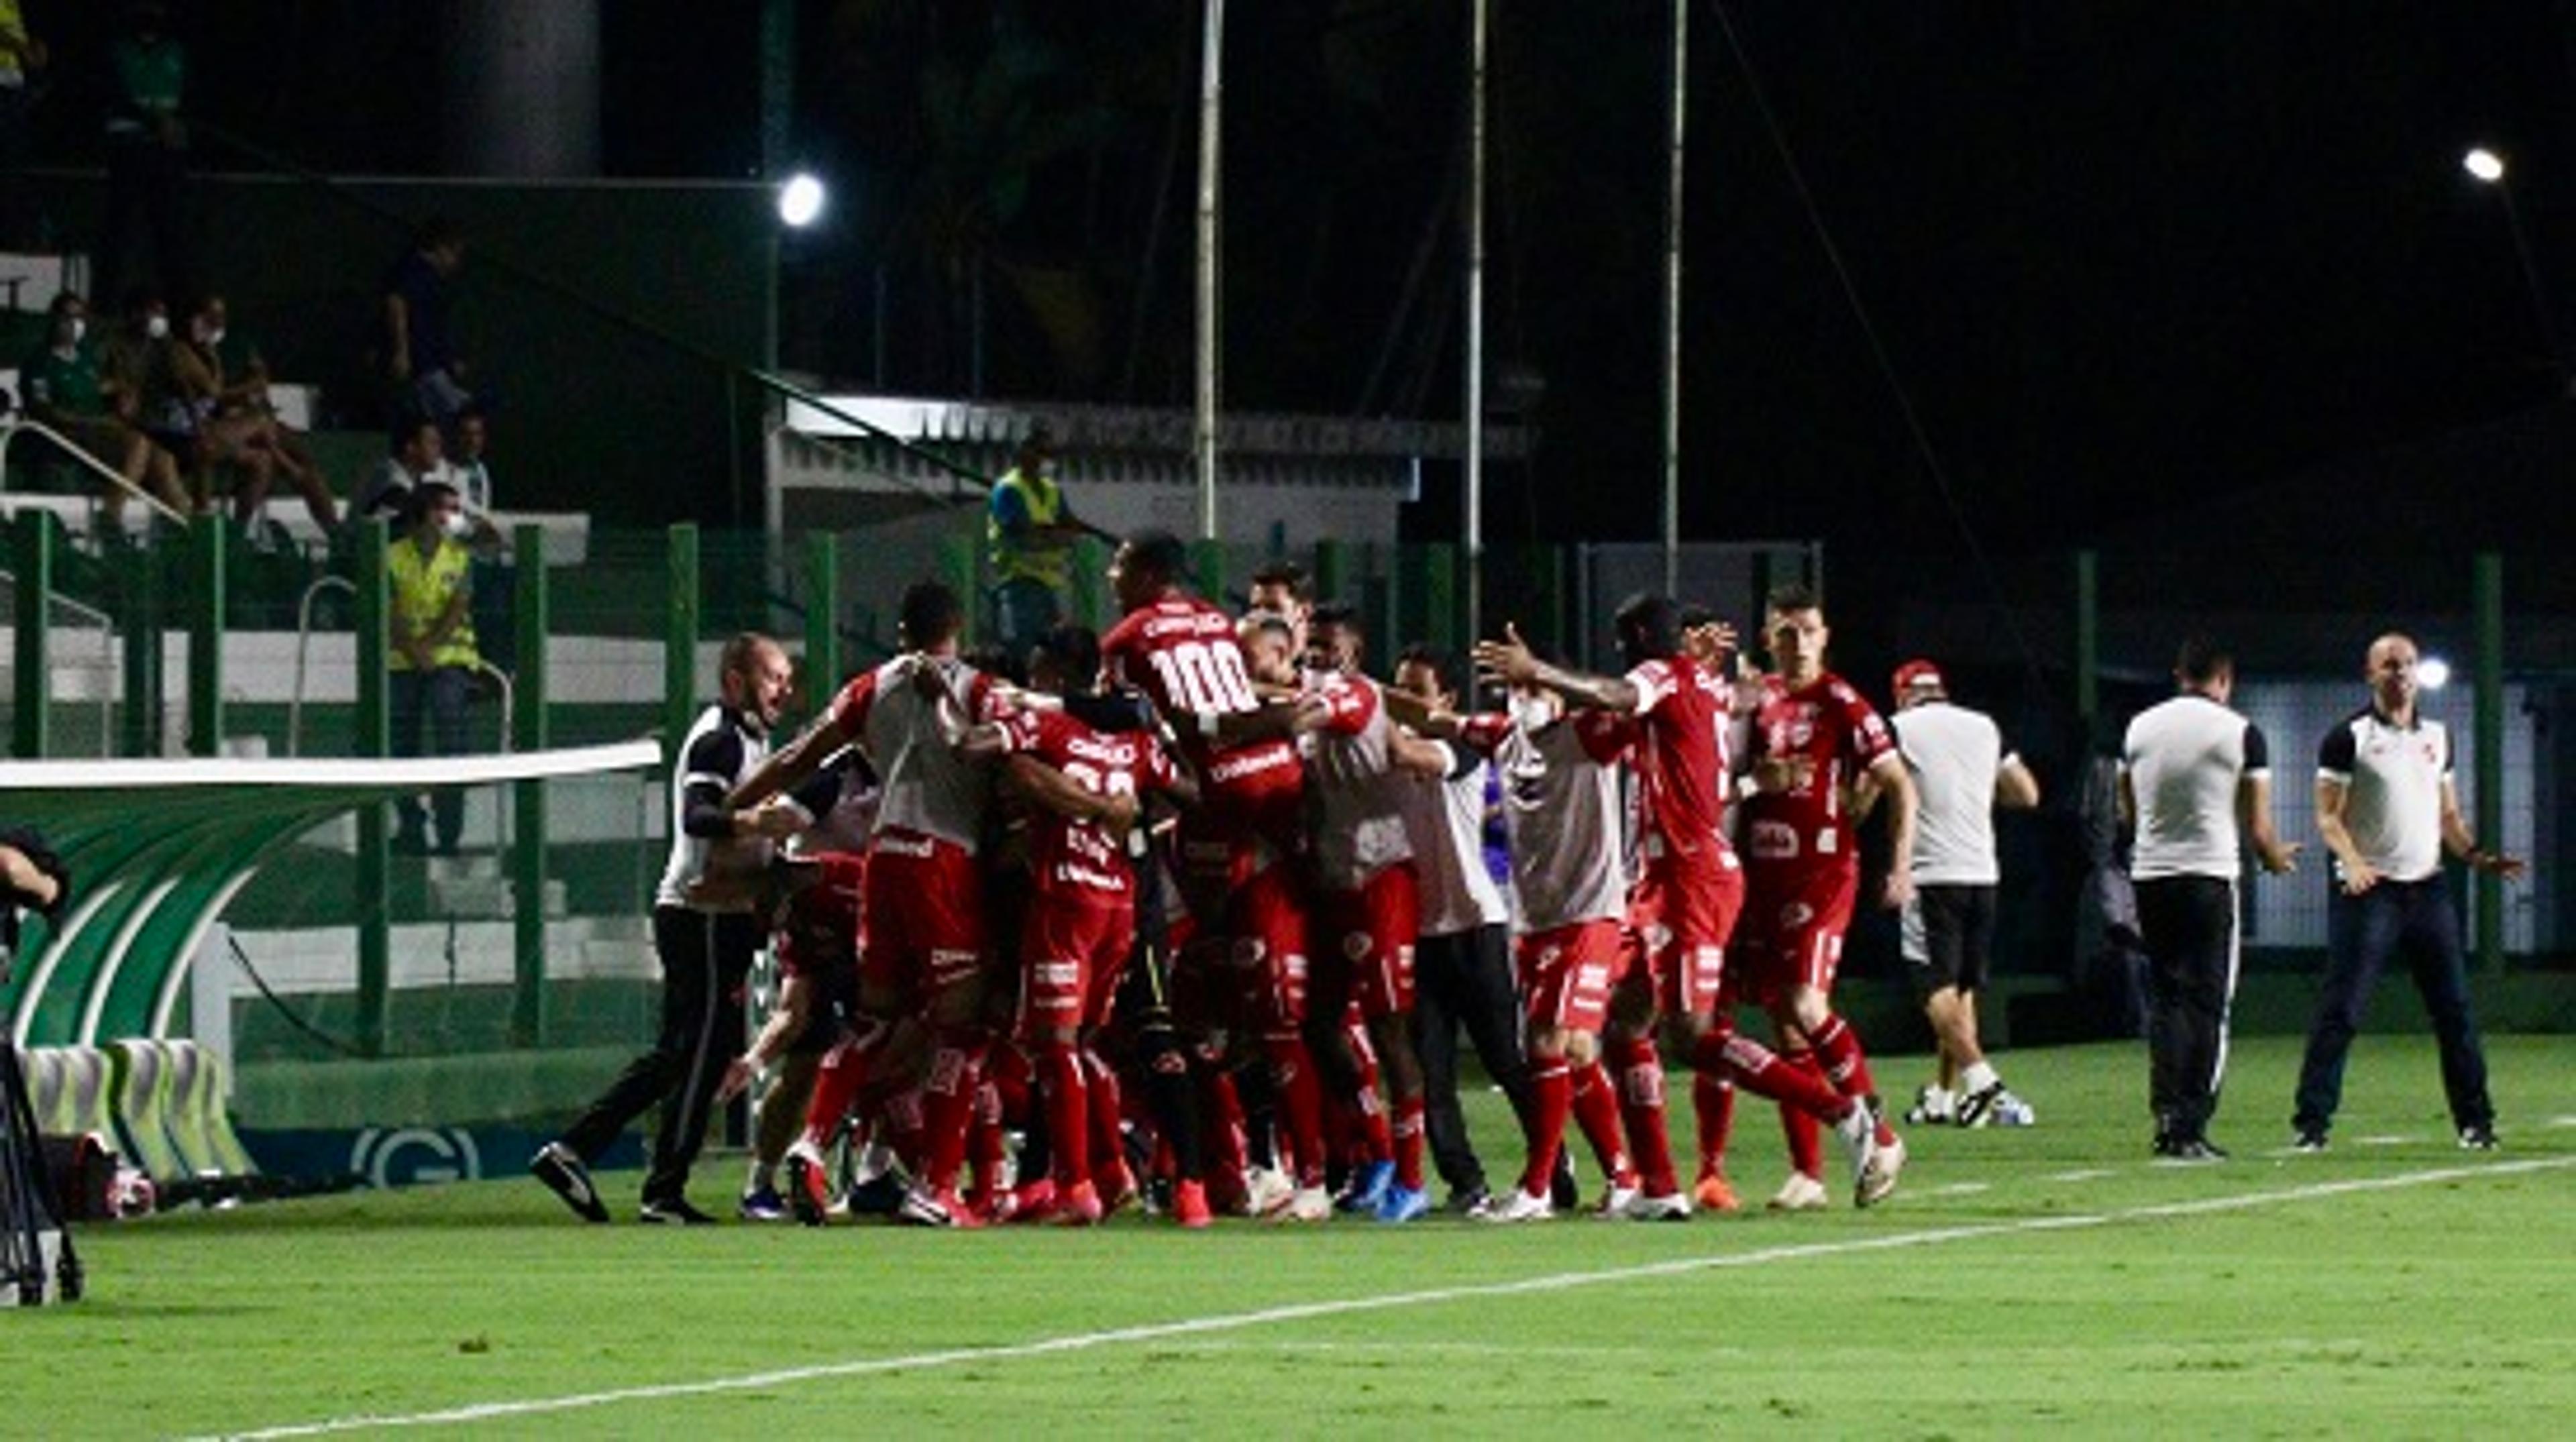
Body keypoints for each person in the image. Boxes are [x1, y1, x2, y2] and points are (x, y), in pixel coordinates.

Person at [1476, 595, 1902, 1219]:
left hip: (1689, 876)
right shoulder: (1701, 684)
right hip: (1668, 876)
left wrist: (1537, 669)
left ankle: (1848, 1115)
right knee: (1624, 1025)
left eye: (1626, 641)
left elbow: (1621, 696)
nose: (1621, 654)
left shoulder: (1664, 676)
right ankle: (1659, 1186)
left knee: (1695, 1037)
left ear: (1647, 636)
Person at [735, 581, 1017, 1229]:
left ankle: (813, 1145)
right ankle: (935, 1187)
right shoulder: (978, 689)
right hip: (945, 860)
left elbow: (799, 755)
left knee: (873, 1021)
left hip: (883, 860)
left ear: (901, 630)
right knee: (961, 1027)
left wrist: (734, 803)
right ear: (958, 627)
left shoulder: (871, 686)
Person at [1102, 534, 1335, 1219]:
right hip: (1269, 787)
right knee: (1230, 1013)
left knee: (1213, 1010)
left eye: (1119, 565)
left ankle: (1301, 1174)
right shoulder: (1213, 618)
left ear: (1146, 573)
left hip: (1209, 803)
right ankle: (1248, 1168)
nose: (1113, 576)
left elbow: (1130, 728)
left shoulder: (1128, 638)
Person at [532, 633, 800, 1223]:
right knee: (697, 1053)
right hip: (698, 915)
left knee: (686, 1053)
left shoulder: (752, 739)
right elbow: (698, 815)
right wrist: (754, 820)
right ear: (735, 681)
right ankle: (658, 1188)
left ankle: (579, 1153)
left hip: (715, 916)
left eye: (786, 677)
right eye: (772, 677)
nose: (784, 688)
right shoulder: (721, 739)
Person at [2292, 633, 2524, 1153]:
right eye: (2390, 666)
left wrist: (2477, 854)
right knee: (2343, 1009)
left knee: (2455, 1010)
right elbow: (2328, 816)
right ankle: (2311, 1123)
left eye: (2409, 665)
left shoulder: (2439, 736)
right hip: (2370, 891)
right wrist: (2351, 862)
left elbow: (2448, 815)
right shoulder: (2347, 737)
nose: (2401, 674)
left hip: (2428, 890)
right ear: (2370, 674)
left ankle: (2476, 1122)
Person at [1729, 582, 1915, 1211]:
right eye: (1786, 632)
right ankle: (1807, 1173)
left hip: (1823, 877)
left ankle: (1882, 1139)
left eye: (1808, 630)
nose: (1798, 642)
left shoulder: (1840, 700)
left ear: (1826, 636)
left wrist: (1901, 865)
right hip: (1765, 879)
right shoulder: (1761, 703)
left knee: (1809, 1004)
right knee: (1782, 1018)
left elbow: (1897, 780)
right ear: (1768, 639)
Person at [2118, 635, 2300, 1160]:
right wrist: (2276, 858)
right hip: (2210, 879)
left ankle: (2166, 1114)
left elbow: (2128, 809)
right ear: (2225, 680)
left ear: (2179, 676)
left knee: (2167, 1001)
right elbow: (2259, 827)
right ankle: (2191, 1126)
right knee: (2208, 1004)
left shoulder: (2140, 727)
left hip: (2151, 876)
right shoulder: (2241, 732)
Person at [1299, 604, 1450, 1223]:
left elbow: (1316, 711)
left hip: (1383, 876)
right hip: (1336, 880)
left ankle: (1412, 1180)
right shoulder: (1316, 697)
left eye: (1329, 645)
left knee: (1391, 1029)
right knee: (1320, 1024)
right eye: (1312, 644)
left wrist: (1250, 718)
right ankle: (1379, 1151)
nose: (1319, 654)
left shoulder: (1355, 696)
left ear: (1355, 651)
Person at [1387, 642, 1538, 1215]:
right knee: (1433, 1068)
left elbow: (1405, 752)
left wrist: (1354, 698)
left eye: (1414, 690)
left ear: (1445, 700)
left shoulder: (1459, 754)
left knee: (1506, 1057)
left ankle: (1549, 1164)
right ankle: (1464, 1181)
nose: (1402, 700)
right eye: (1397, 686)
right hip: (1424, 933)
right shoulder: (1393, 751)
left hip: (1479, 925)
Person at [1887, 659, 2041, 1127]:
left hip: (1931, 874)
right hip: (1982, 872)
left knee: (1933, 986)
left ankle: (1985, 1085)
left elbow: (1872, 791)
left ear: (1902, 694)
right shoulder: (1984, 726)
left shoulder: (1898, 727)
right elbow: (2027, 794)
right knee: (1961, 991)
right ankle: (1943, 1096)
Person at [17, 291, 188, 518]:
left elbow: (96, 385)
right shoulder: (40, 363)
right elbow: (46, 412)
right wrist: (96, 420)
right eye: (69, 317)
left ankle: (186, 526)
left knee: (164, 459)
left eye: (80, 317)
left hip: (100, 430)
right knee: (137, 443)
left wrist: (122, 389)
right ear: (55, 319)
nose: (76, 324)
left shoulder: (85, 357)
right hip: (68, 433)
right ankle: (111, 516)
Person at [384, 480, 479, 855]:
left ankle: (449, 833)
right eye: (447, 509)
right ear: (424, 513)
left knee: (451, 744)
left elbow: (458, 607)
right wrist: (412, 648)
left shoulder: (460, 557)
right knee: (398, 745)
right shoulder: (391, 556)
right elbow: (388, 608)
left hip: (449, 662)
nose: (454, 518)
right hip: (401, 661)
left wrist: (429, 646)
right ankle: (411, 825)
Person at [97, 2, 192, 317]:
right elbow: (115, 93)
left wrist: (178, 129)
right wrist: (153, 120)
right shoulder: (117, 50)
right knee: (119, 233)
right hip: (128, 150)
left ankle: (176, 315)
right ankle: (106, 311)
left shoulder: (176, 51)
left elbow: (185, 99)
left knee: (171, 236)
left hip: (166, 155)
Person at [986, 425, 1083, 651]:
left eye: (1048, 454)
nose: (1045, 459)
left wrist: (1049, 534)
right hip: (1018, 582)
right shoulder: (1008, 489)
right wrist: (1054, 536)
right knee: (1022, 650)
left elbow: (1070, 526)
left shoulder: (1052, 490)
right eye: (1039, 452)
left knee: (1054, 651)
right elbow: (1020, 536)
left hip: (1051, 585)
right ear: (1022, 453)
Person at [381, 218, 474, 424]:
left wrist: (451, 358)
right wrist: (401, 351)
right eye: (454, 253)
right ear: (441, 247)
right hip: (421, 364)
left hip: (433, 362)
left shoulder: (436, 280)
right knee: (459, 411)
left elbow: (438, 324)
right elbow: (396, 303)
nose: (456, 262)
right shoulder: (413, 270)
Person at [0, 1, 45, 251]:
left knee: (12, 172)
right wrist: (21, 46)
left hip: (13, 88)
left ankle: (13, 240)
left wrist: (34, 50)